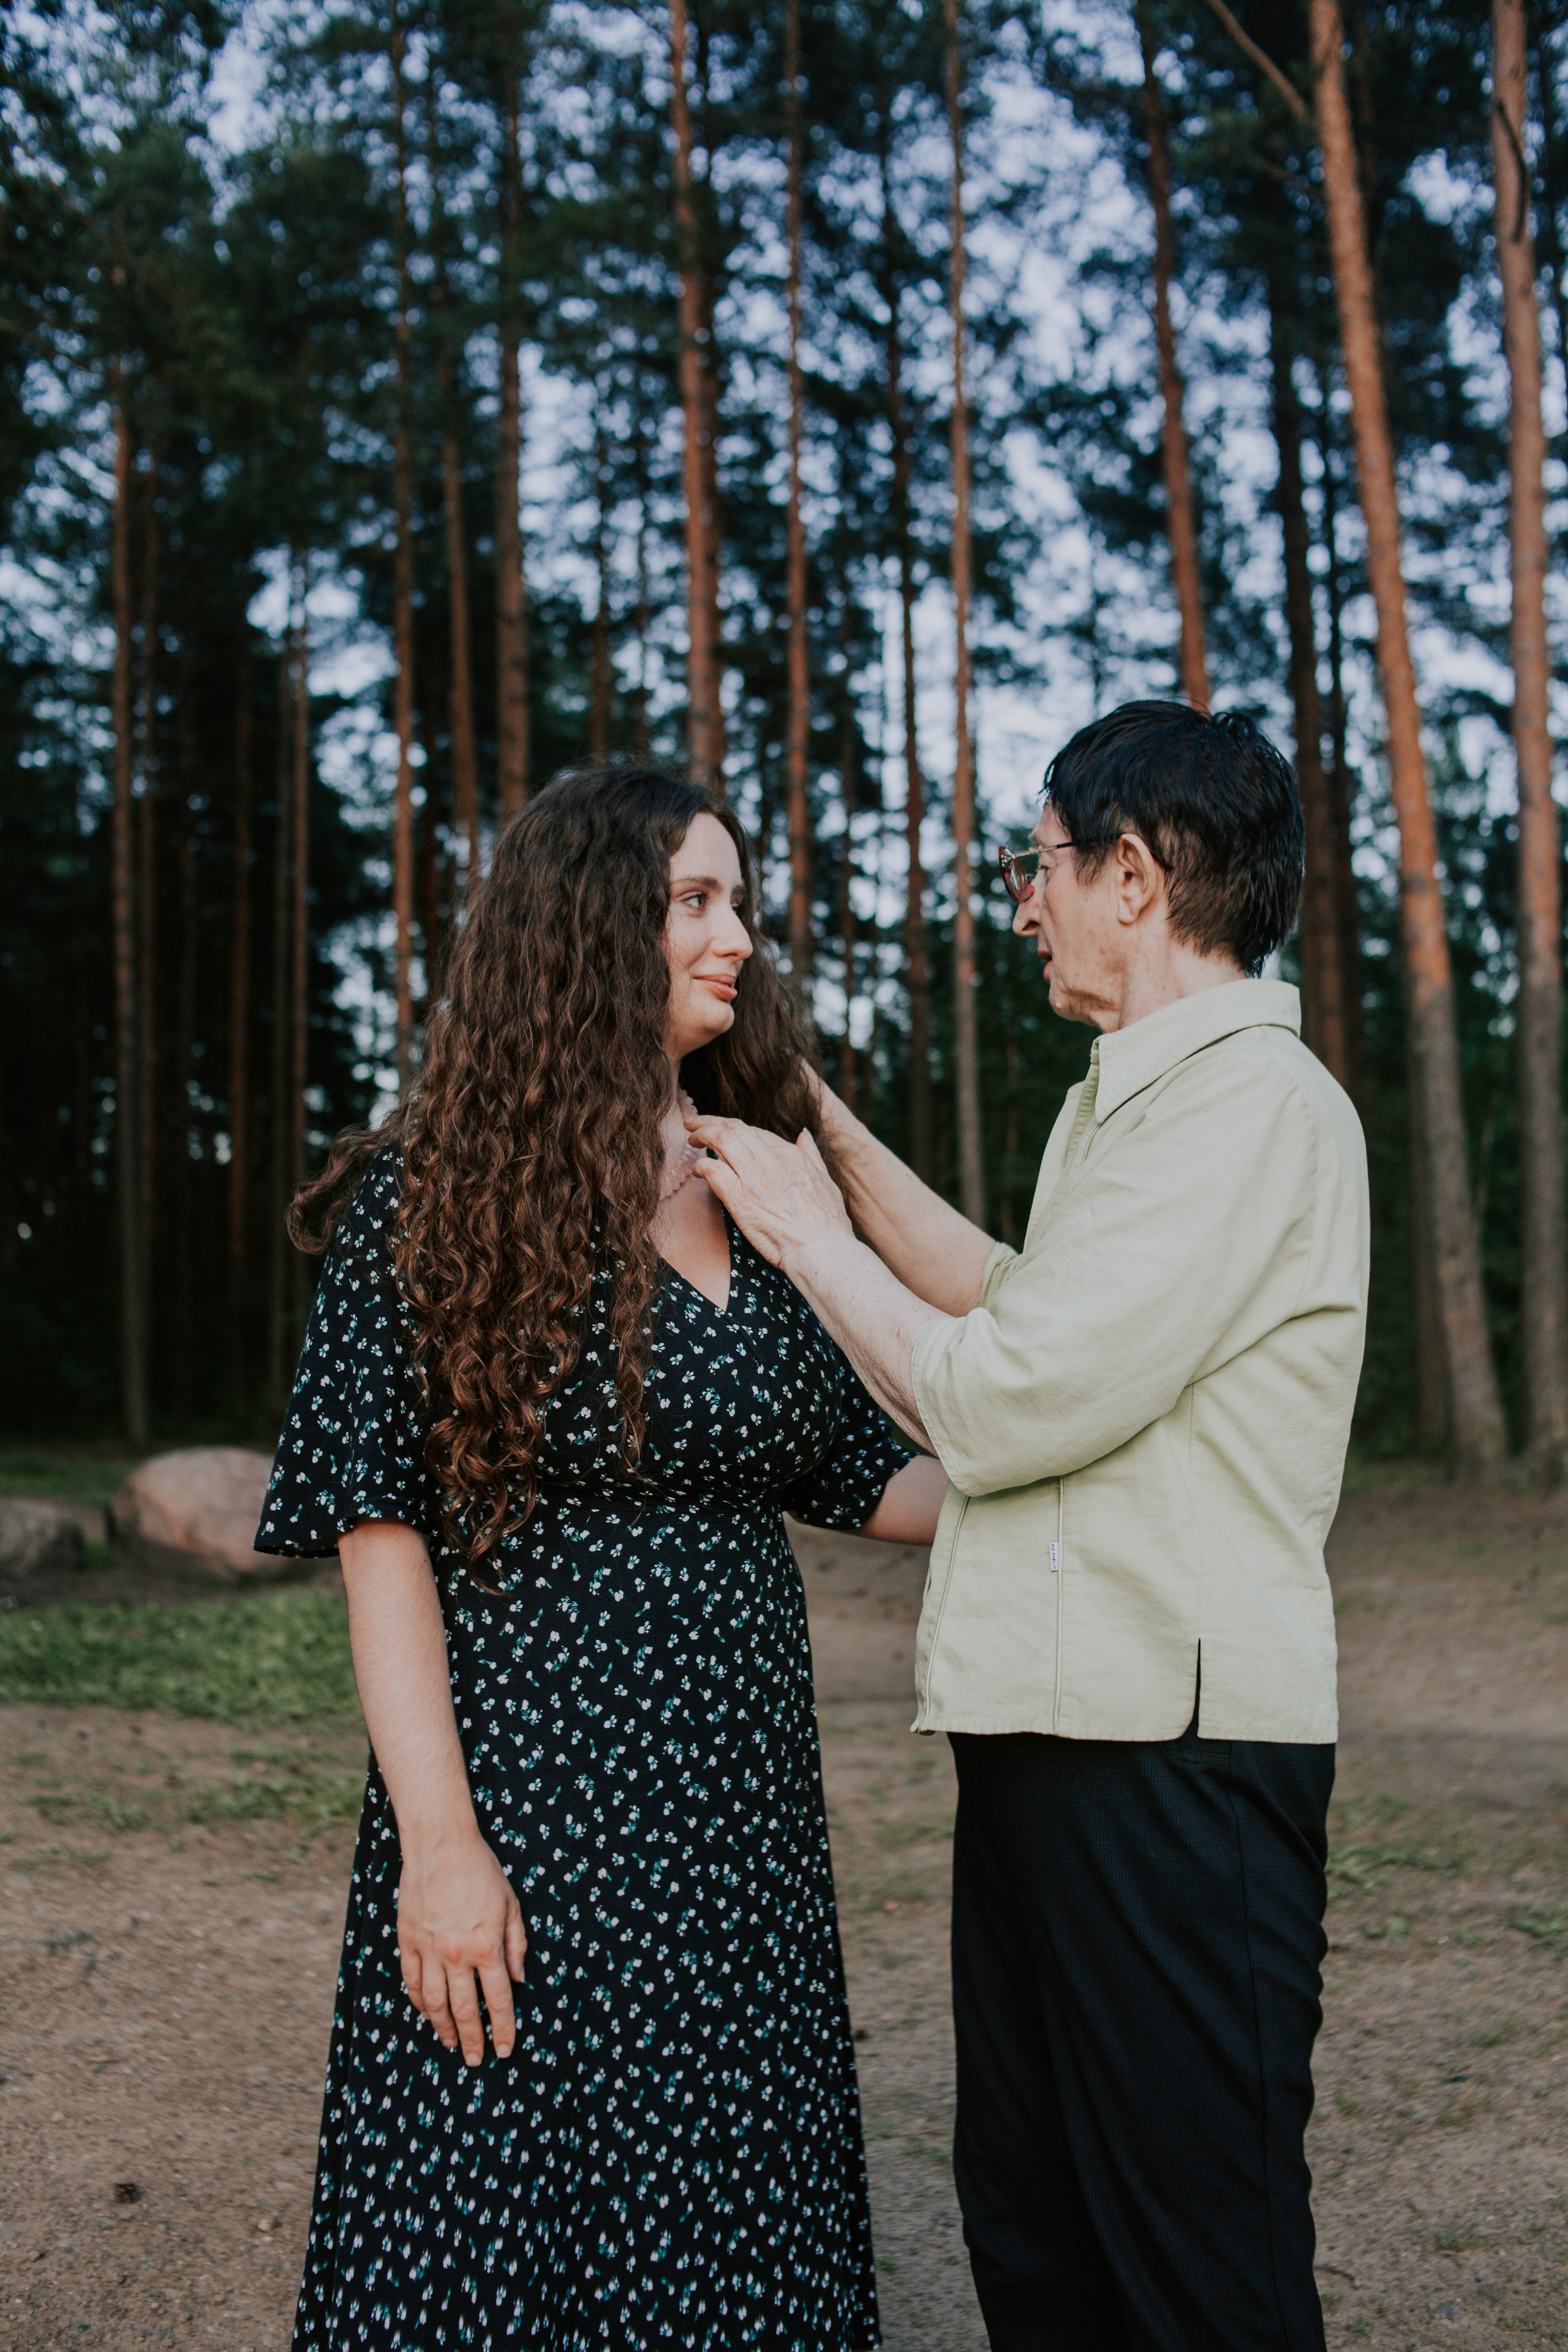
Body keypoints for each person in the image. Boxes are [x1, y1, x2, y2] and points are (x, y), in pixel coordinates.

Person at [688, 701, 1371, 2352]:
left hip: (1172, 1759)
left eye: (1039, 865)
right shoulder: (1126, 1106)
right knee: (1040, 2225)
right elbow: (1009, 1294)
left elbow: (1003, 1395)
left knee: (1196, 2262)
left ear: (1132, 876)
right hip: (1052, 1738)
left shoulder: (1256, 1109)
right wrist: (819, 1128)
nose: (1025, 900)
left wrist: (794, 1236)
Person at [255, 764, 949, 2352]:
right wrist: (440, 1849)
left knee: (728, 2205)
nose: (739, 938)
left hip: (740, 1826)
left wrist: (1072, 1489)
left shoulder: (761, 1181)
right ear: (586, 925)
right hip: (535, 1808)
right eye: (697, 901)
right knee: (514, 2224)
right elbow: (380, 1540)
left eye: (743, 902)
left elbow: (857, 1468)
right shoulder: (433, 1197)